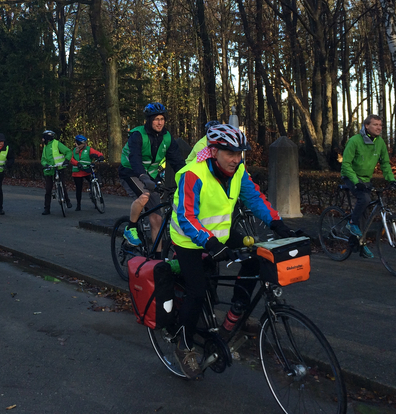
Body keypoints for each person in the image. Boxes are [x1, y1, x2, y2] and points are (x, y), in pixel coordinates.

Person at [170, 123, 295, 378]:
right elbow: (186, 217)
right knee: (197, 291)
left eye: (239, 153)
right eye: (230, 153)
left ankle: (235, 314)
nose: (236, 159)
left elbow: (254, 199)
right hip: (189, 240)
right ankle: (183, 346)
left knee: (257, 258)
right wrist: (210, 244)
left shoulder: (238, 171)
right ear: (214, 151)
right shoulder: (193, 174)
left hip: (221, 235)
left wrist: (277, 224)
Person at [118, 102, 185, 245]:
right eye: (156, 119)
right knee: (144, 196)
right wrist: (143, 177)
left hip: (150, 176)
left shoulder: (167, 137)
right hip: (131, 172)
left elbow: (177, 161)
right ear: (149, 120)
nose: (159, 123)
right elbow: (135, 159)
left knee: (157, 219)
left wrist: (188, 177)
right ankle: (131, 228)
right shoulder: (137, 135)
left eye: (162, 119)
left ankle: (157, 255)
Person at [341, 114, 396, 258]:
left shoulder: (380, 142)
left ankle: (359, 244)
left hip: (366, 179)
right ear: (366, 126)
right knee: (365, 199)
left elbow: (385, 163)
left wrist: (391, 180)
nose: (379, 128)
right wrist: (356, 181)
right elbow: (346, 165)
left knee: (365, 212)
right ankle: (351, 223)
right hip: (351, 176)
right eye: (375, 125)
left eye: (380, 125)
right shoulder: (354, 141)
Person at [40, 130, 72, 215]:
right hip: (49, 170)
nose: (42, 139)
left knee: (62, 184)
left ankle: (67, 201)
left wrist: (66, 160)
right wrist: (45, 164)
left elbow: (68, 151)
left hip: (59, 168)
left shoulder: (57, 144)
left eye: (43, 137)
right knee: (48, 189)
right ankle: (47, 208)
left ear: (47, 138)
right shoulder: (45, 147)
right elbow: (43, 159)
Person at [69, 135, 103, 211]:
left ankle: (95, 196)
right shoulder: (74, 150)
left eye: (78, 143)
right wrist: (77, 163)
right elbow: (71, 159)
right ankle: (78, 205)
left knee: (93, 182)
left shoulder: (88, 149)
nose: (76, 144)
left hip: (87, 171)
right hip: (77, 172)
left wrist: (100, 156)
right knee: (78, 188)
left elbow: (97, 153)